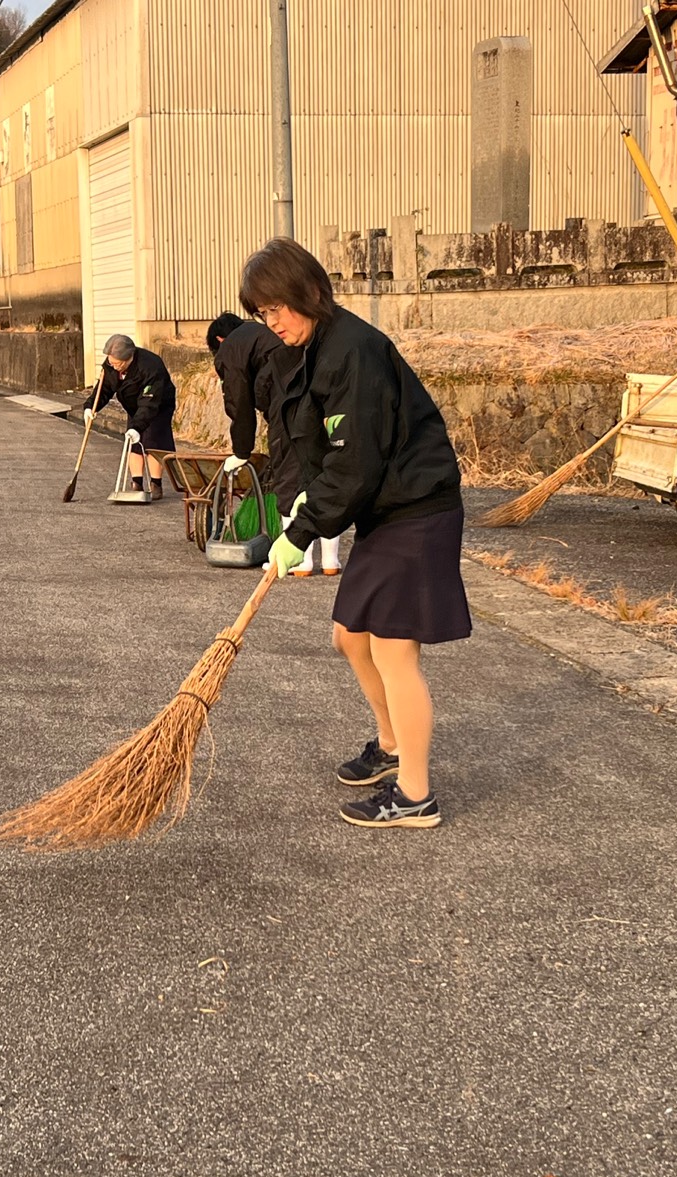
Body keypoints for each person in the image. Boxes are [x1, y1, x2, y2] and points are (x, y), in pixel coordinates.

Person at [240, 237, 471, 830]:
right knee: (349, 636)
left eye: (277, 308)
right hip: (384, 509)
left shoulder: (355, 351)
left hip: (416, 508)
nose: (272, 323)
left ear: (309, 291)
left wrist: (304, 531)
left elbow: (355, 462)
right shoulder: (310, 349)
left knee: (393, 648)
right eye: (262, 313)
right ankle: (391, 744)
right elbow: (315, 445)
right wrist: (301, 500)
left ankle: (415, 794)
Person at [206, 312, 341, 577]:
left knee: (290, 478)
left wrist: (241, 451)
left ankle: (300, 561)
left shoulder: (230, 349)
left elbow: (238, 401)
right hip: (320, 397)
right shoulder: (265, 335)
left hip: (288, 405)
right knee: (321, 476)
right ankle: (330, 561)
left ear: (220, 340)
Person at [84, 333, 176, 500]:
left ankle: (156, 484)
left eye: (117, 364)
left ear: (129, 358)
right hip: (133, 406)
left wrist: (137, 426)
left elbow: (149, 403)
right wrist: (90, 407)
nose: (114, 367)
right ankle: (136, 483)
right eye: (111, 363)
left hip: (158, 405)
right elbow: (104, 389)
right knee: (133, 442)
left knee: (153, 441)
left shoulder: (151, 366)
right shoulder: (111, 365)